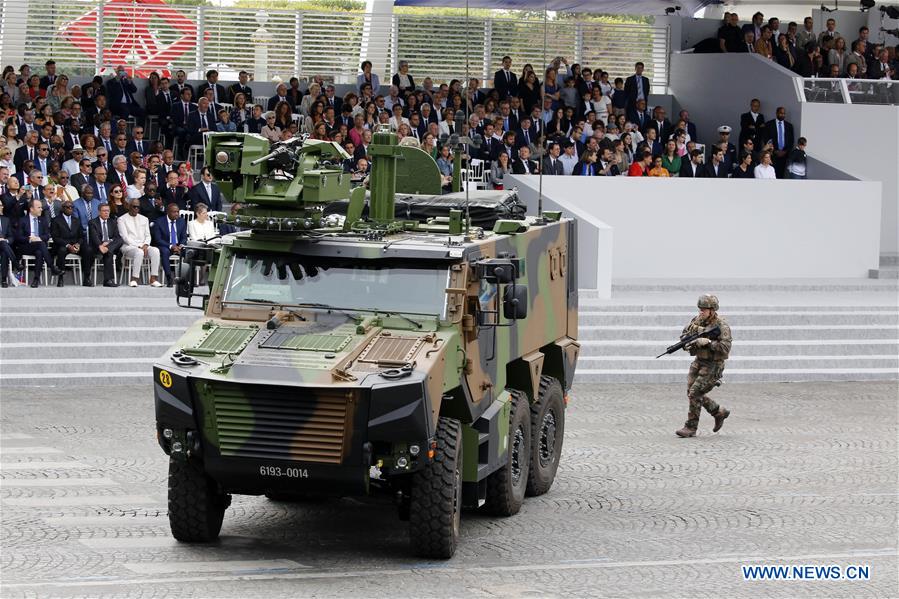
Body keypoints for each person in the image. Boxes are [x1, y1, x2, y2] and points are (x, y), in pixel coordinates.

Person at [675, 295, 732, 438]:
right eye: (700, 309)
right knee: (692, 392)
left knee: (695, 393)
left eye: (704, 310)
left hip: (713, 365)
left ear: (712, 310)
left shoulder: (722, 326)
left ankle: (690, 427)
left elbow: (725, 347)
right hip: (699, 361)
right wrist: (688, 344)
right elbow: (685, 335)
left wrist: (708, 343)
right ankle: (719, 412)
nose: (701, 312)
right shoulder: (696, 321)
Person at [118, 198, 162, 287]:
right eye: (134, 207)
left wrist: (145, 244)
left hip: (144, 245)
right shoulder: (121, 219)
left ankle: (153, 279)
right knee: (139, 252)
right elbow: (125, 237)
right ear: (128, 206)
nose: (136, 209)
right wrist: (139, 246)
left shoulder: (144, 219)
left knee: (156, 251)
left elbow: (148, 235)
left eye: (138, 207)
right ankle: (134, 279)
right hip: (129, 246)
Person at [16, 197, 59, 287]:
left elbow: (47, 235)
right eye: (39, 207)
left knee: (39, 252)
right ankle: (52, 267)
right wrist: (30, 239)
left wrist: (39, 238)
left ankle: (36, 280)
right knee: (41, 245)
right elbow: (18, 237)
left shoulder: (43, 220)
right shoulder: (23, 220)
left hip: (39, 245)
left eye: (41, 207)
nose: (41, 209)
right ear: (31, 209)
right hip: (26, 246)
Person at [51, 199, 91, 286]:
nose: (70, 209)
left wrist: (78, 244)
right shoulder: (56, 220)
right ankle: (60, 278)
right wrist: (68, 245)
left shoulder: (76, 220)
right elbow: (55, 237)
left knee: (88, 250)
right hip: (63, 244)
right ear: (63, 208)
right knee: (61, 251)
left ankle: (87, 278)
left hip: (75, 244)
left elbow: (81, 236)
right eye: (67, 207)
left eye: (72, 207)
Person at [152, 202, 187, 287]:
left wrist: (181, 246)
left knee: (190, 252)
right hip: (165, 245)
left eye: (177, 212)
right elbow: (158, 239)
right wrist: (171, 246)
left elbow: (184, 237)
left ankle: (185, 279)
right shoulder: (159, 222)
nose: (176, 214)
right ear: (168, 212)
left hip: (178, 246)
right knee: (165, 252)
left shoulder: (181, 221)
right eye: (174, 212)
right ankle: (169, 278)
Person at [88, 203, 121, 287]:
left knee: (120, 240)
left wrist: (108, 243)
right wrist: (100, 245)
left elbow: (117, 237)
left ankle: (108, 280)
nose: (106, 213)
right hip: (97, 247)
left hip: (108, 246)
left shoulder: (113, 222)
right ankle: (108, 280)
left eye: (108, 211)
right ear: (99, 212)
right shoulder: (93, 222)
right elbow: (94, 236)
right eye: (104, 211)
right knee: (109, 253)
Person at [0, 200, 18, 287]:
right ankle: (16, 263)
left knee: (4, 251)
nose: (2, 207)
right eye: (0, 205)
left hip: (3, 246)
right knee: (3, 245)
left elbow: (11, 237)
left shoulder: (5, 220)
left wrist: (6, 240)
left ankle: (3, 279)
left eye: (2, 205)